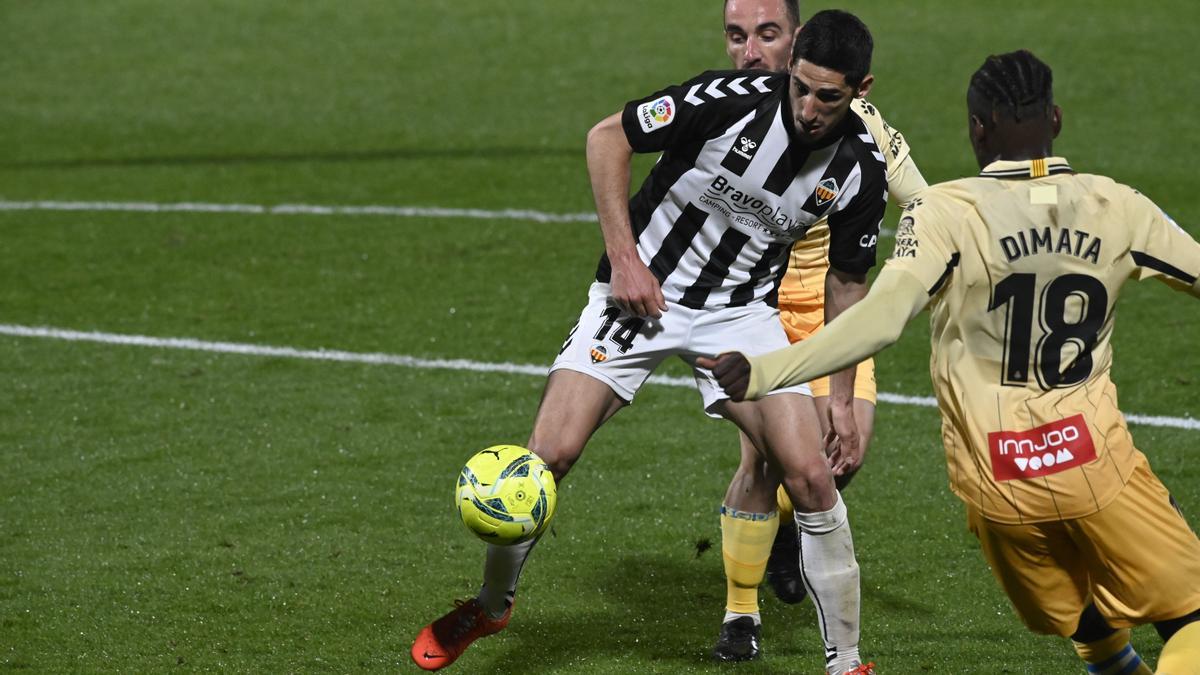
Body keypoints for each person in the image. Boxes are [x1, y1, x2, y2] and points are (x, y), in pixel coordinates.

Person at [411, 10, 885, 674]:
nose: (806, 107)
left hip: (739, 316)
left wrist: (840, 395)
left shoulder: (861, 168)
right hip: (639, 295)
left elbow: (846, 282)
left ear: (860, 89)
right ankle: (492, 604)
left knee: (810, 475)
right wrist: (625, 258)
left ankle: (847, 662)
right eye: (799, 87)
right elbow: (608, 137)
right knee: (546, 457)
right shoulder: (725, 102)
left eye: (827, 97)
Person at [700, 49, 1200, 673]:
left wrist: (767, 371)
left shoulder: (945, 213)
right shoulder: (1117, 205)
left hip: (998, 488)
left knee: (1090, 623)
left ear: (976, 129)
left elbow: (878, 321)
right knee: (1190, 618)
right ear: (1058, 120)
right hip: (1095, 464)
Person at [713, 0, 928, 662]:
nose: (752, 51)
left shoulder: (860, 127)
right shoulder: (738, 111)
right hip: (760, 307)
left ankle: (784, 533)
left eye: (766, 34)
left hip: (837, 303)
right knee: (768, 455)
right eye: (739, 37)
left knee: (847, 448)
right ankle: (740, 612)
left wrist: (911, 273)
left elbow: (921, 200)